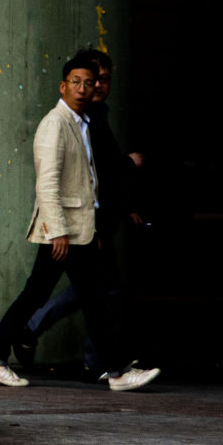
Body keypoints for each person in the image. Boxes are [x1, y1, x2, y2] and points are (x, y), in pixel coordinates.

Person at [0, 53, 160, 392]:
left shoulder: (81, 123)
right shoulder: (55, 124)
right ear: (63, 86)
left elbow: (86, 179)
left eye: (89, 83)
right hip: (63, 233)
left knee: (81, 297)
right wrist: (58, 231)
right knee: (57, 297)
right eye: (76, 82)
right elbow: (47, 183)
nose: (83, 88)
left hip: (77, 231)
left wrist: (91, 229)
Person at [19, 48, 143, 373]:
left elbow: (96, 175)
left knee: (89, 290)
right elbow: (79, 176)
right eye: (90, 80)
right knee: (92, 290)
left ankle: (100, 361)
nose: (96, 86)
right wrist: (128, 163)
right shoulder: (71, 121)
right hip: (81, 225)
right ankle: (98, 361)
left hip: (92, 222)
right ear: (67, 85)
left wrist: (124, 209)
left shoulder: (92, 116)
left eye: (102, 79)